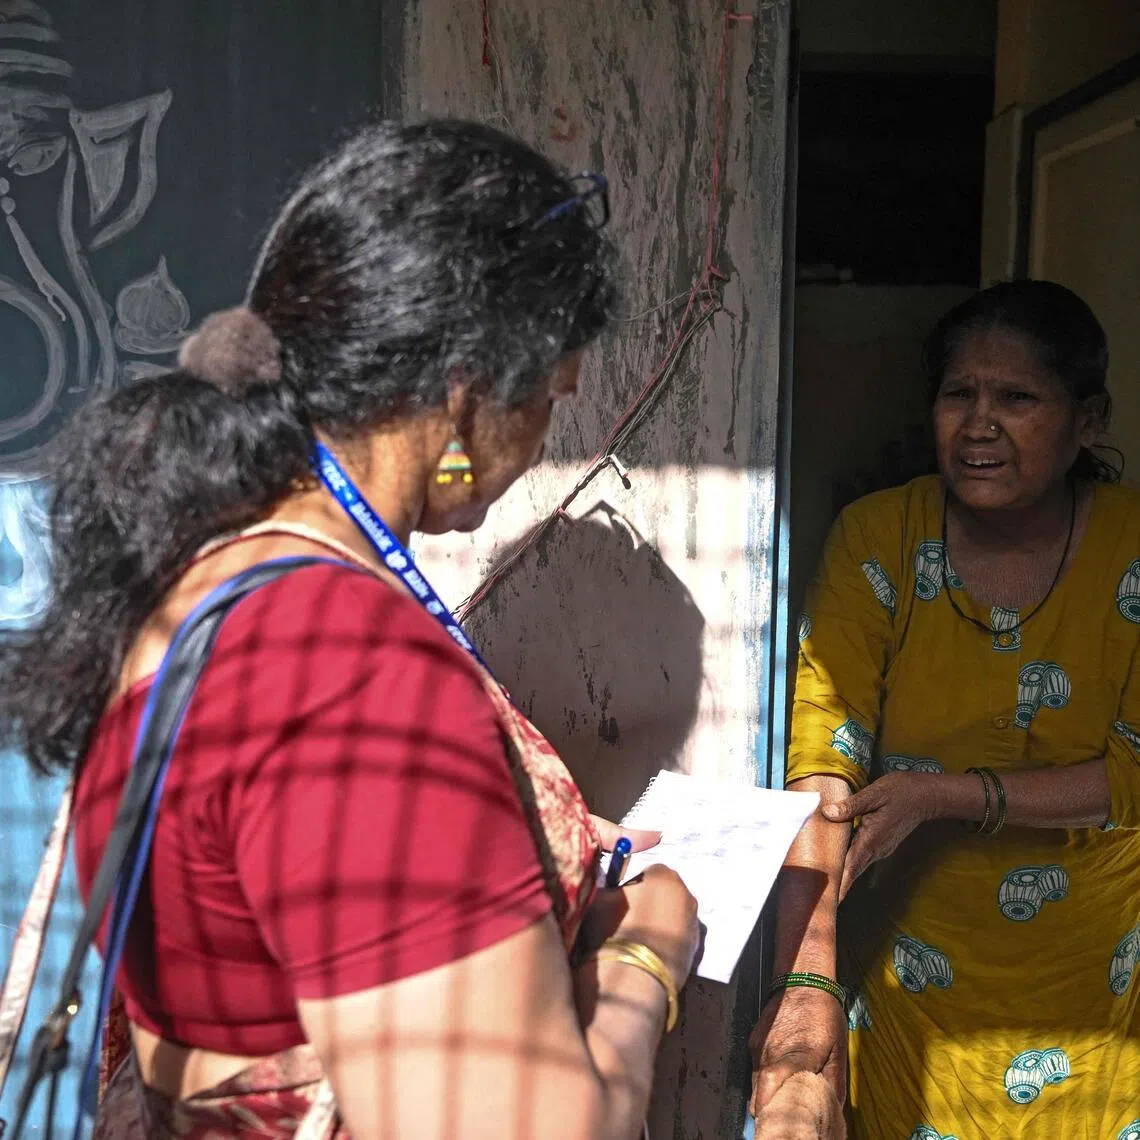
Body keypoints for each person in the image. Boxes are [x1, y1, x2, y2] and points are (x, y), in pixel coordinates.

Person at [0, 120, 700, 1140]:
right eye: (548, 402)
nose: (542, 447)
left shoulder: (195, 580)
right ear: (467, 397)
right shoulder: (346, 668)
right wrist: (646, 961)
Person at [750, 279, 1140, 1138]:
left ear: (1089, 419)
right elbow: (823, 759)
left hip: (1091, 980)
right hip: (913, 968)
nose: (978, 424)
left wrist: (949, 793)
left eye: (1017, 398)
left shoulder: (1131, 545)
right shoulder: (878, 536)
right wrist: (806, 982)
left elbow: (1135, 773)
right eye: (957, 394)